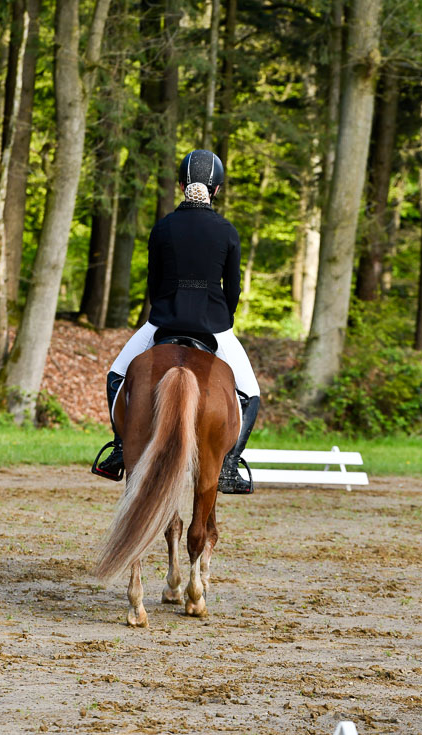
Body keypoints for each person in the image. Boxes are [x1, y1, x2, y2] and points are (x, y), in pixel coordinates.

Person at [94, 149, 260, 493]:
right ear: (216, 190)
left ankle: (121, 449)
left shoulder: (163, 227)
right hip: (214, 327)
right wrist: (221, 318)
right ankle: (229, 467)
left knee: (116, 376)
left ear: (182, 184)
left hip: (163, 322)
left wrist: (167, 308)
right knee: (250, 393)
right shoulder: (227, 231)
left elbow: (154, 283)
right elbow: (233, 289)